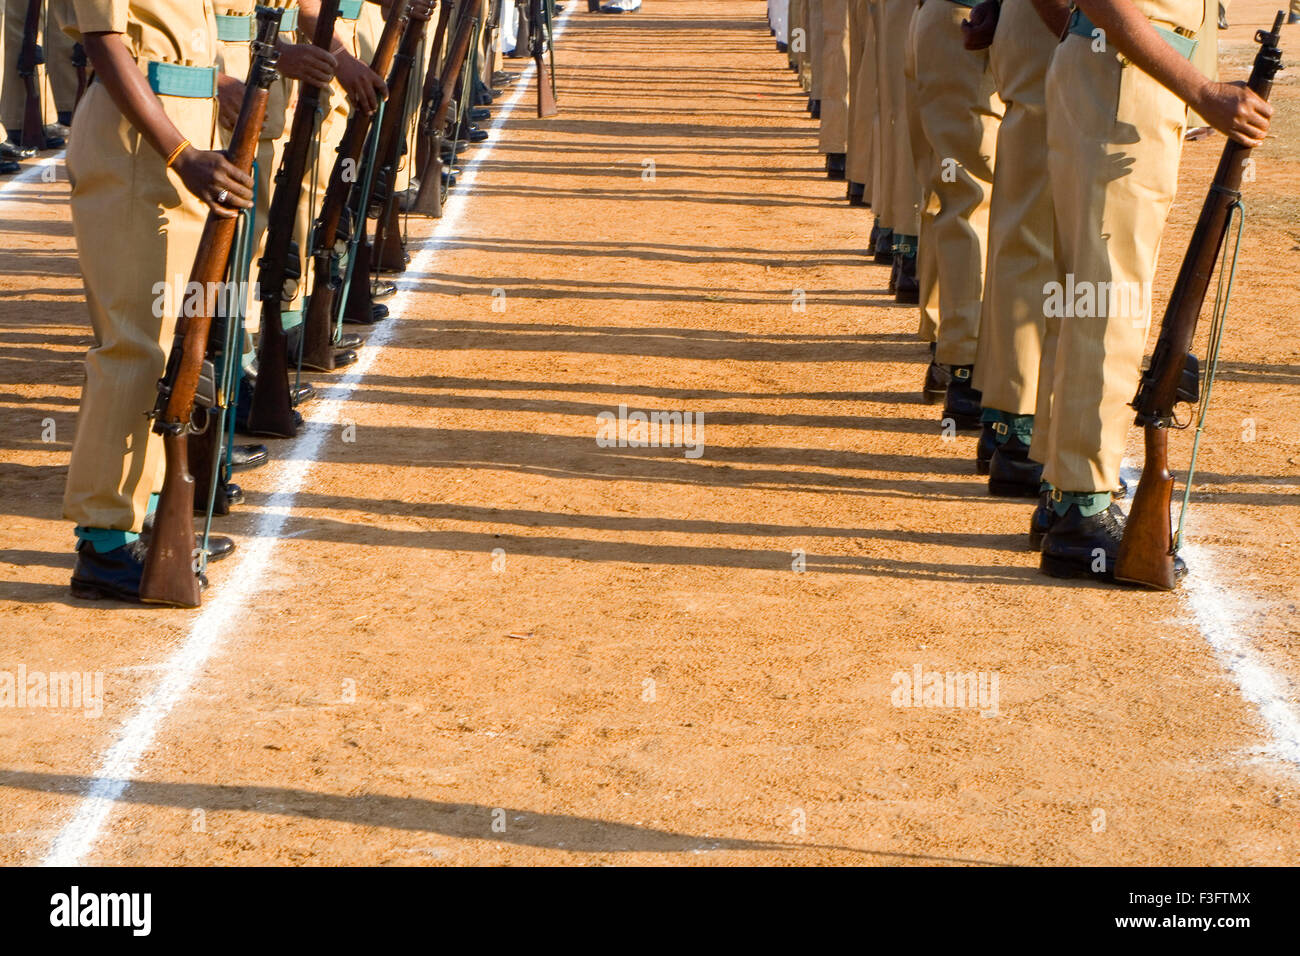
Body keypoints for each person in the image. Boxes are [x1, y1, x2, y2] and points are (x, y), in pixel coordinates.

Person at [1036, 0, 1272, 580]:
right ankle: (1080, 508)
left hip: (1123, 70)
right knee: (1109, 298)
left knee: (1088, 290)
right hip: (1124, 74)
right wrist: (1203, 89)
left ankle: (1065, 488)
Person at [63, 0, 252, 600]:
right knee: (133, 343)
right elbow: (105, 43)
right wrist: (181, 154)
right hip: (142, 145)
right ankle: (104, 540)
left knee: (167, 340)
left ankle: (137, 512)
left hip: (180, 130)